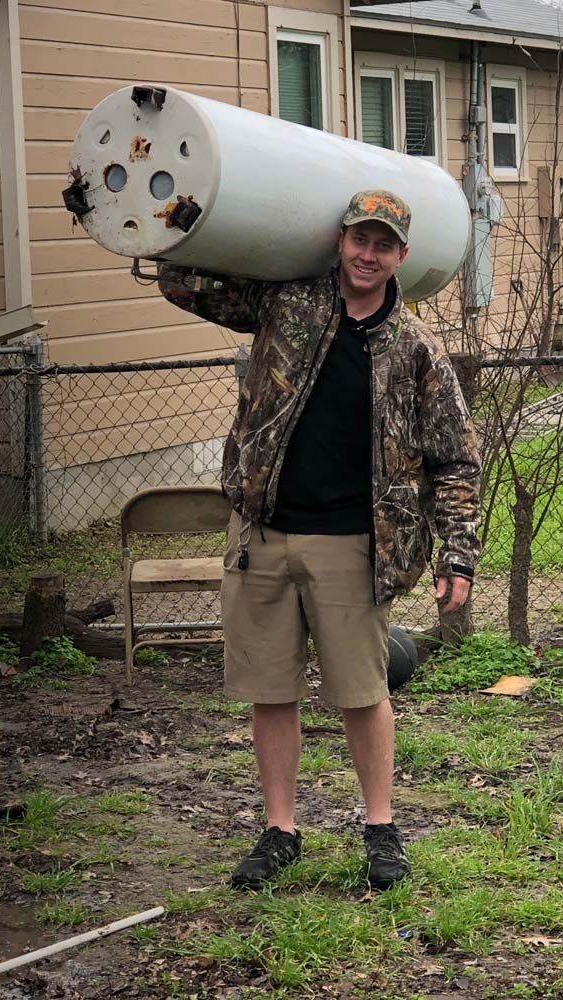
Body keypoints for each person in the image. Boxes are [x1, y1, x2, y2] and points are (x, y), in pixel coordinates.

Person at [157, 189, 481, 890]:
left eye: (383, 244)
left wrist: (458, 553)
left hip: (352, 545)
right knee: (270, 691)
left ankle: (380, 828)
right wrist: (173, 225)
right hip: (263, 535)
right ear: (339, 241)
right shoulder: (286, 304)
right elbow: (192, 289)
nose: (368, 254)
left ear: (401, 256)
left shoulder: (415, 346)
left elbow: (455, 458)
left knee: (363, 693)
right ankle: (279, 832)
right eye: (358, 239)